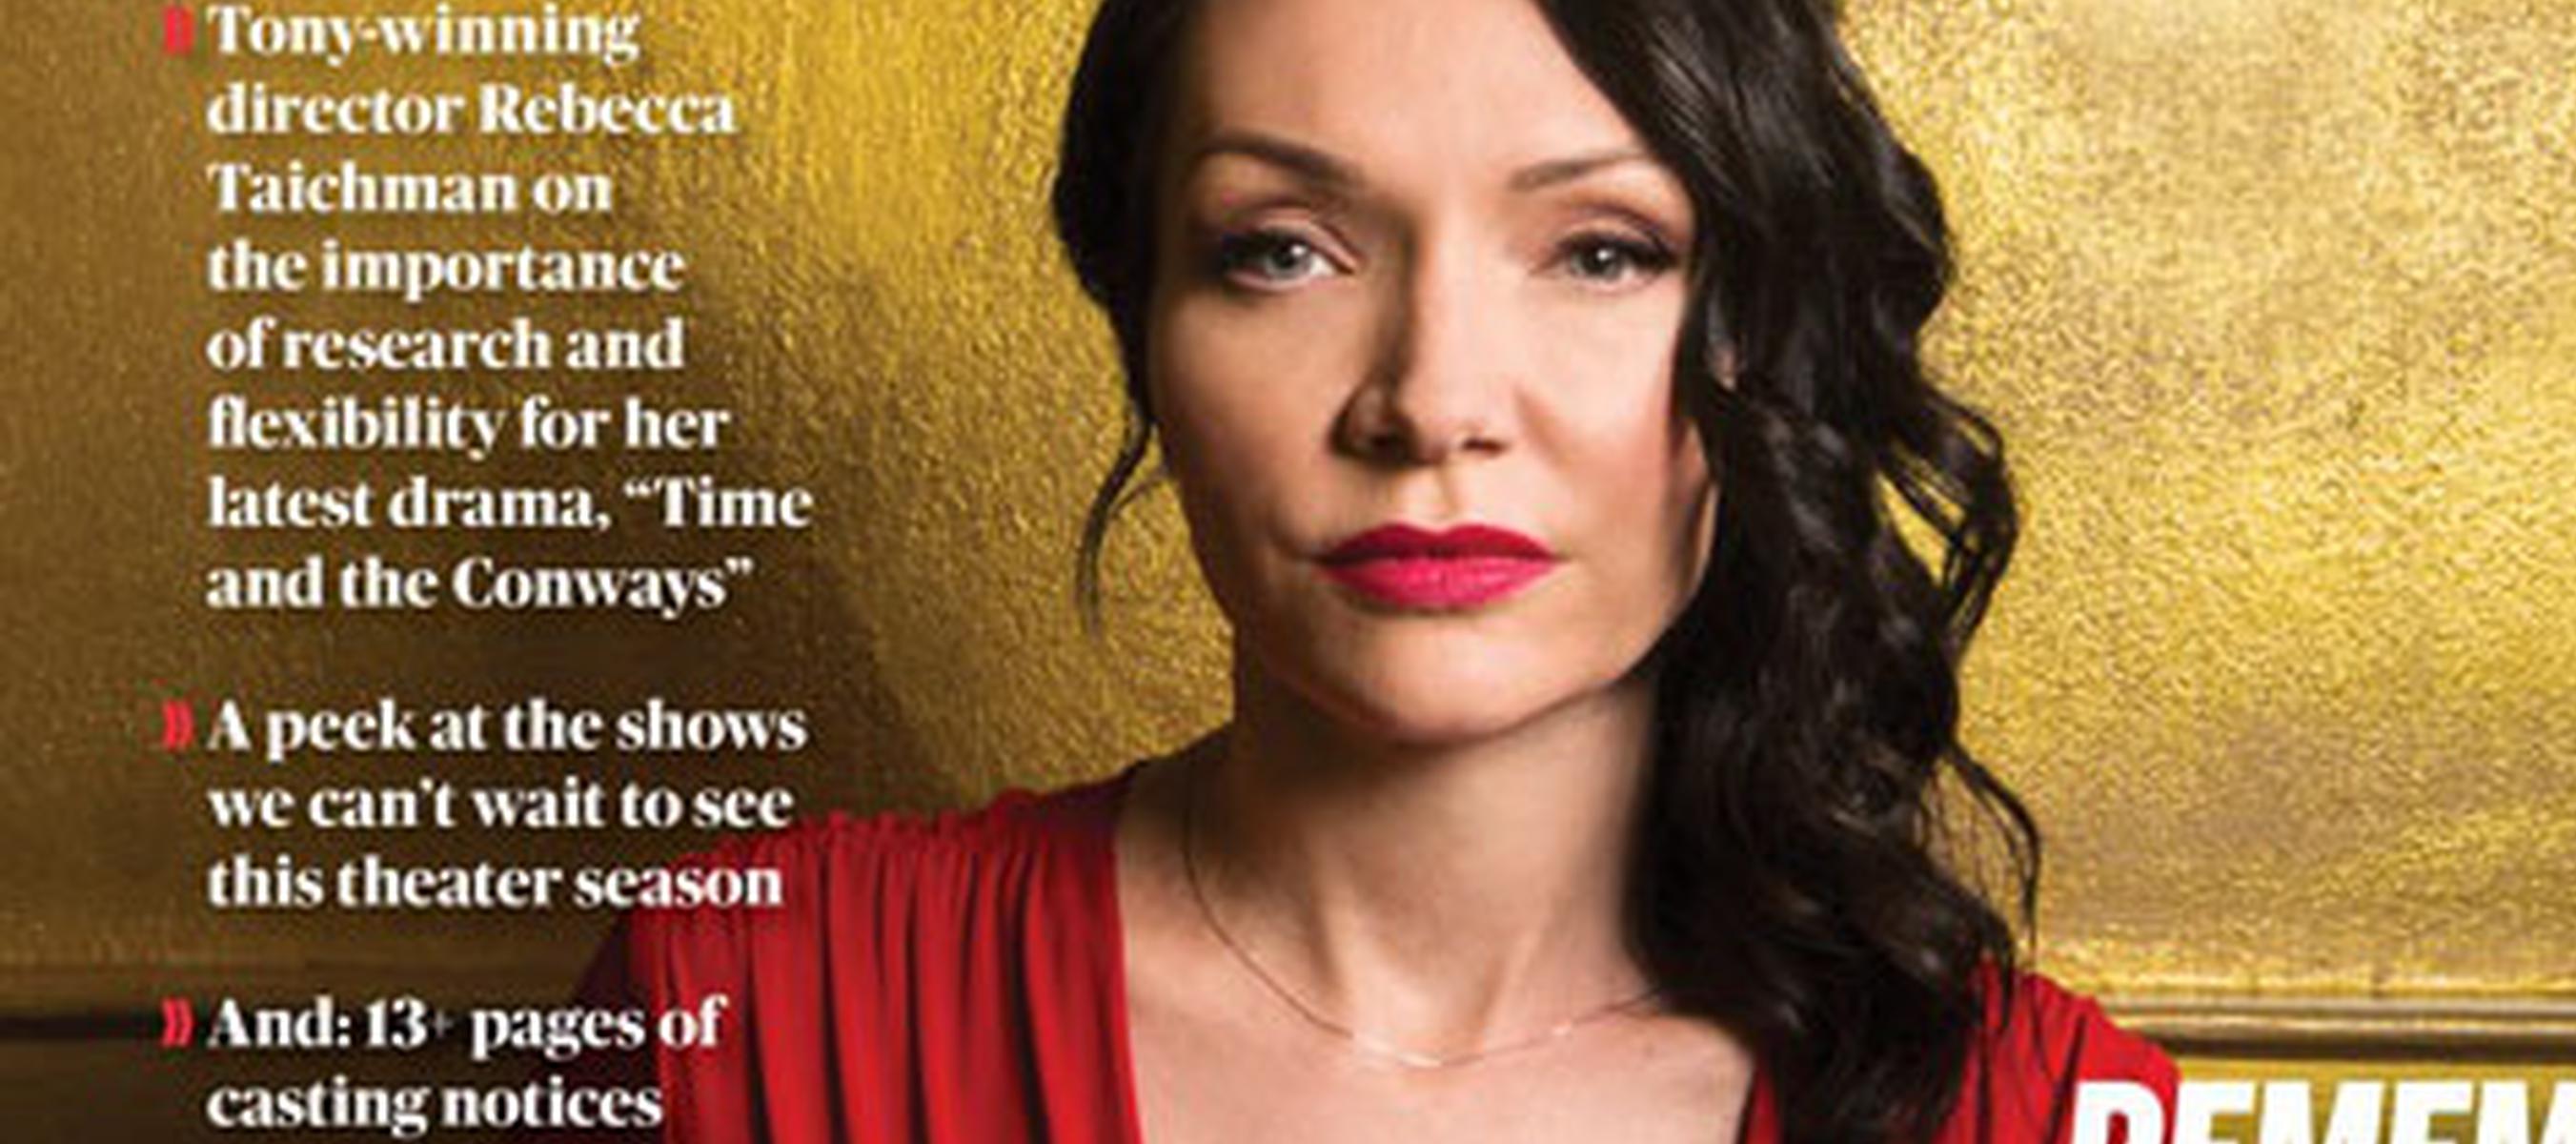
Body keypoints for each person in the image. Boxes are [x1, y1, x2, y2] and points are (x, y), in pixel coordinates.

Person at [567, 0, 2182, 1140]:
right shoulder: (747, 1011)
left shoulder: (2039, 1112)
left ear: (1766, 343)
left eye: (1601, 252)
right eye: (1281, 250)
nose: (1429, 400)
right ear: (1144, 330)